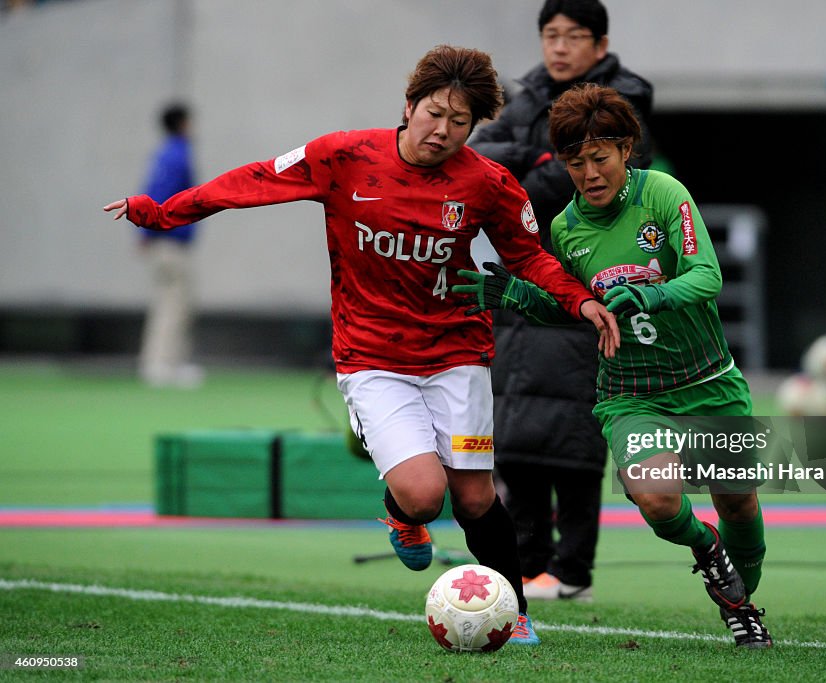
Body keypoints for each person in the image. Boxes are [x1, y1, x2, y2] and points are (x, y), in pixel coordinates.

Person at [104, 45, 621, 646]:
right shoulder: (344, 156)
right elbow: (254, 181)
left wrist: (580, 299)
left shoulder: (486, 183)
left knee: (476, 496)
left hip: (458, 353)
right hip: (373, 358)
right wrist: (161, 212)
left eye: (460, 123)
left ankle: (514, 612)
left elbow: (528, 254)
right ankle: (404, 515)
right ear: (408, 106)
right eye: (434, 113)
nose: (443, 131)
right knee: (426, 496)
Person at [454, 84, 772, 648]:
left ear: (627, 148)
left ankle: (741, 604)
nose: (588, 173)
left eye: (599, 158)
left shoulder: (665, 195)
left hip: (709, 380)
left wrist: (653, 296)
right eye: (575, 163)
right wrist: (515, 297)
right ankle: (707, 551)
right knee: (657, 498)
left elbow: (708, 277)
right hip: (631, 392)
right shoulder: (565, 229)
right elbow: (570, 308)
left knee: (739, 501)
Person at [469, 0, 653, 602]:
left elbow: (567, 183)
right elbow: (482, 157)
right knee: (517, 433)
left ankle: (573, 572)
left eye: (574, 36)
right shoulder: (524, 96)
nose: (560, 46)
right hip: (522, 277)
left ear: (599, 45)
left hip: (587, 274)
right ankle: (527, 565)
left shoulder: (625, 98)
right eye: (551, 34)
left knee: (576, 438)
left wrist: (525, 175)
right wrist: (531, 165)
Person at [137, 103, 204, 388]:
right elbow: (162, 193)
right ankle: (163, 365)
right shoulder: (178, 155)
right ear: (182, 123)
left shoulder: (165, 153)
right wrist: (150, 230)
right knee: (174, 304)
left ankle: (163, 363)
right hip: (171, 241)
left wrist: (144, 233)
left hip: (164, 240)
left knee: (171, 302)